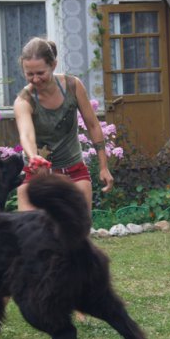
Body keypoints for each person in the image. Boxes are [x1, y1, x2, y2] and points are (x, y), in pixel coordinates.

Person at [14, 37, 113, 212]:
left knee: (78, 231)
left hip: (73, 169)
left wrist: (103, 167)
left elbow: (93, 125)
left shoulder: (73, 86)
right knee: (30, 232)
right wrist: (33, 157)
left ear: (53, 65)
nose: (35, 79)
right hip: (37, 172)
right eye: (30, 74)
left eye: (40, 73)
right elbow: (26, 134)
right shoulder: (24, 100)